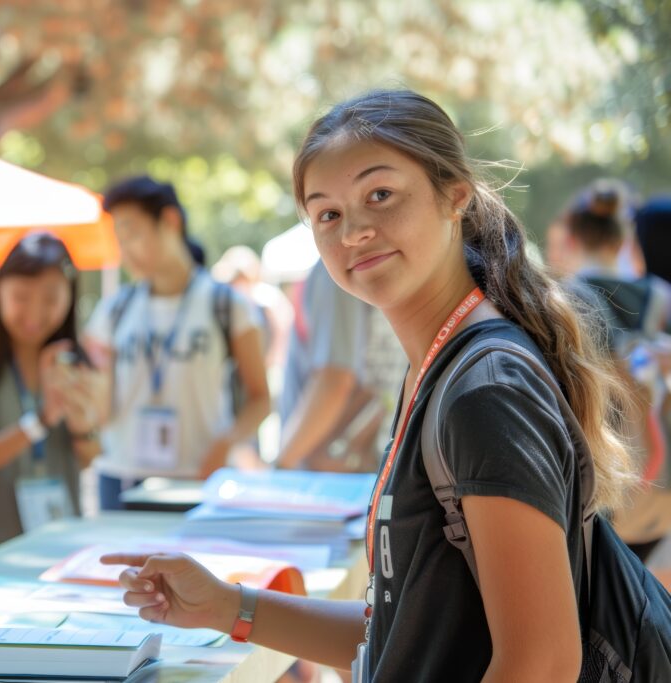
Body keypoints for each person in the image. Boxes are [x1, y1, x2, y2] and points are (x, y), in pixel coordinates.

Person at [102, 89, 641, 681]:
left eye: (380, 195)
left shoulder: (485, 388)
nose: (354, 230)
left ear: (454, 195)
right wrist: (225, 606)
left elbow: (540, 663)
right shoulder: (440, 370)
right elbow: (407, 633)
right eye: (327, 213)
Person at [83, 176, 270, 510]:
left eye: (133, 234)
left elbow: (260, 398)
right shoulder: (113, 310)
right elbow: (99, 408)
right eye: (119, 240)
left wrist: (226, 443)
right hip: (120, 479)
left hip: (197, 482)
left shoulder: (227, 305)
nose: (125, 252)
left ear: (170, 221)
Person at [0, 233, 104, 563]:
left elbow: (88, 459)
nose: (34, 312)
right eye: (21, 296)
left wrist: (82, 425)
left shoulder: (79, 366)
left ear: (71, 296)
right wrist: (39, 422)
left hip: (60, 556)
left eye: (51, 297)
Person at [550, 181, 671, 562]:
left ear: (571, 237)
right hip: (663, 477)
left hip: (603, 483)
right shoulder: (661, 296)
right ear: (624, 240)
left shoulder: (559, 301)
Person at [277, 264, 406, 472]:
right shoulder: (371, 264)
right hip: (366, 455)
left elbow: (334, 379)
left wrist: (282, 464)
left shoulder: (336, 268)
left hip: (333, 465)